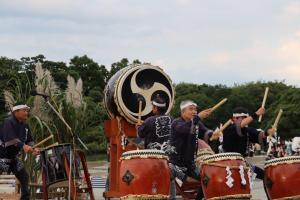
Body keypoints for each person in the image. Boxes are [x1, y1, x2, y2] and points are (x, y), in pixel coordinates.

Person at [168, 100, 217, 200]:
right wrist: (198, 118)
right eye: (191, 109)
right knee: (171, 170)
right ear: (183, 112)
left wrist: (212, 134)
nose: (194, 111)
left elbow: (205, 131)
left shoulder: (196, 123)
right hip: (176, 165)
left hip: (190, 165)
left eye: (195, 109)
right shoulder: (176, 123)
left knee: (208, 180)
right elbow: (185, 129)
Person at [222, 106, 275, 180]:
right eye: (243, 117)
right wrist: (256, 114)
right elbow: (239, 126)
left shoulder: (247, 130)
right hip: (227, 164)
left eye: (246, 117)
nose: (246, 120)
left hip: (242, 163)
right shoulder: (229, 129)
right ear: (234, 118)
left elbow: (259, 135)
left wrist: (267, 133)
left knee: (265, 176)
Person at [0, 102, 39, 200]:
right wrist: (23, 146)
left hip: (13, 158)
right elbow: (10, 139)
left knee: (24, 177)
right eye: (24, 110)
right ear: (16, 112)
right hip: (1, 156)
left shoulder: (25, 126)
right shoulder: (8, 122)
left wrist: (33, 148)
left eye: (27, 110)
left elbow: (29, 140)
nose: (27, 113)